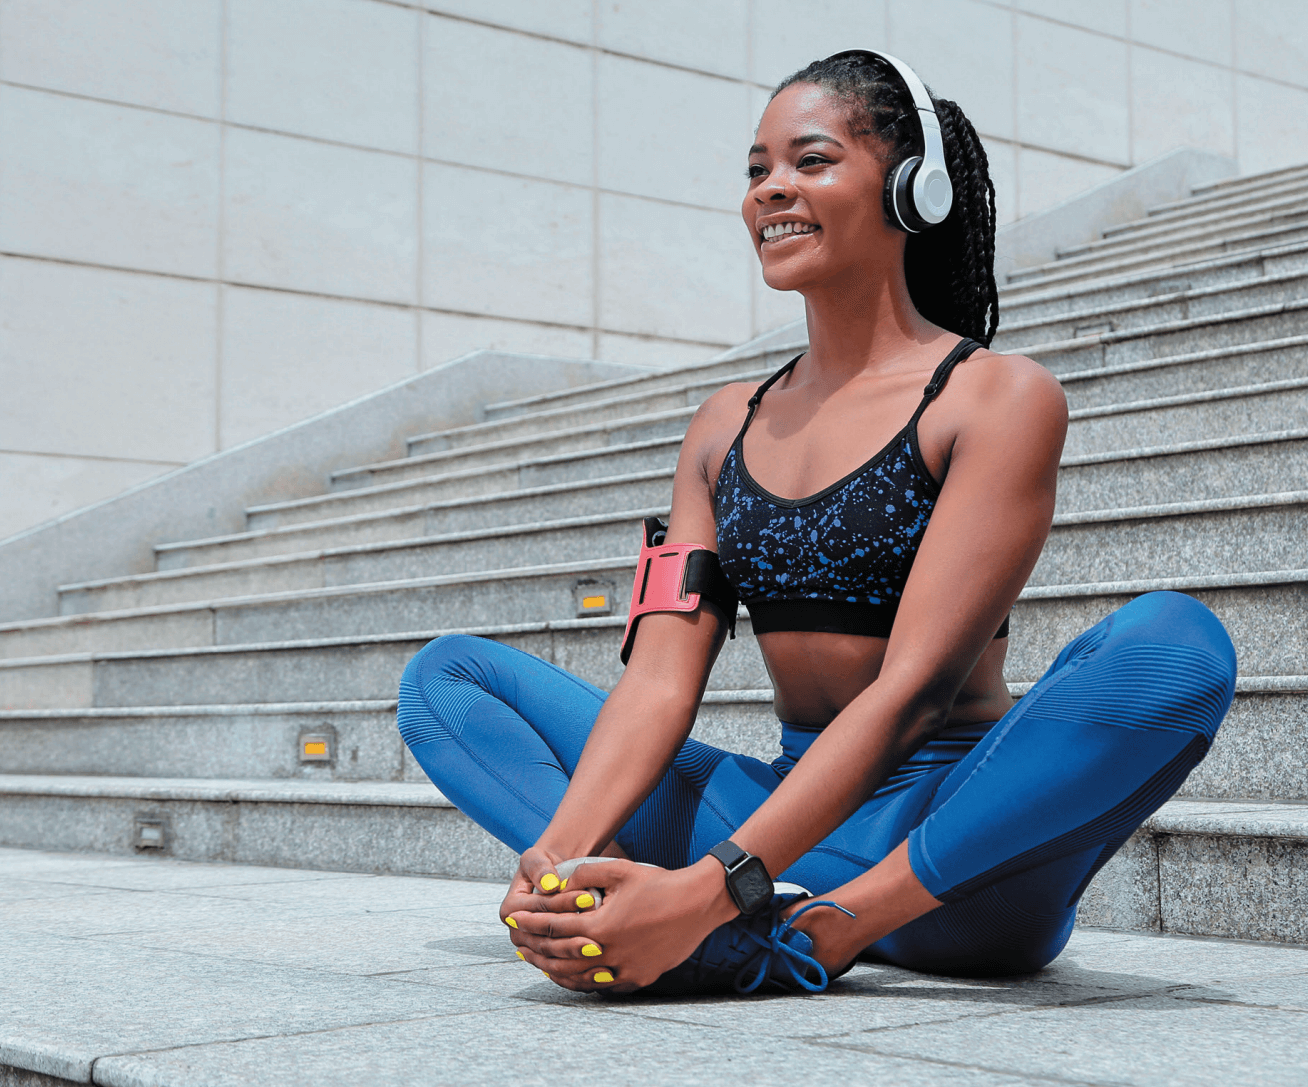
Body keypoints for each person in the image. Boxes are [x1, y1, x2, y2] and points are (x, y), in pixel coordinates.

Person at [397, 50, 1236, 995]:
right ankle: (639, 913)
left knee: (1178, 642)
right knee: (447, 679)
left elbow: (913, 692)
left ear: (911, 190)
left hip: (951, 844)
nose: (771, 191)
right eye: (757, 170)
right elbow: (662, 678)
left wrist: (717, 884)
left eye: (811, 160)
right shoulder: (723, 427)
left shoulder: (994, 398)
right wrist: (558, 856)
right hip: (777, 810)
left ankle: (809, 929)